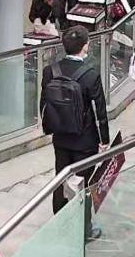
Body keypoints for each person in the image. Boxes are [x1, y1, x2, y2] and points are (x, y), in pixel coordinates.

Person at [41, 25, 109, 218]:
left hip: (60, 137)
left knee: (61, 177)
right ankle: (81, 223)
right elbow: (100, 111)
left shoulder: (49, 72)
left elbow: (44, 103)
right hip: (84, 139)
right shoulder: (90, 74)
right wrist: (104, 140)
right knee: (84, 181)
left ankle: (59, 217)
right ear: (85, 46)